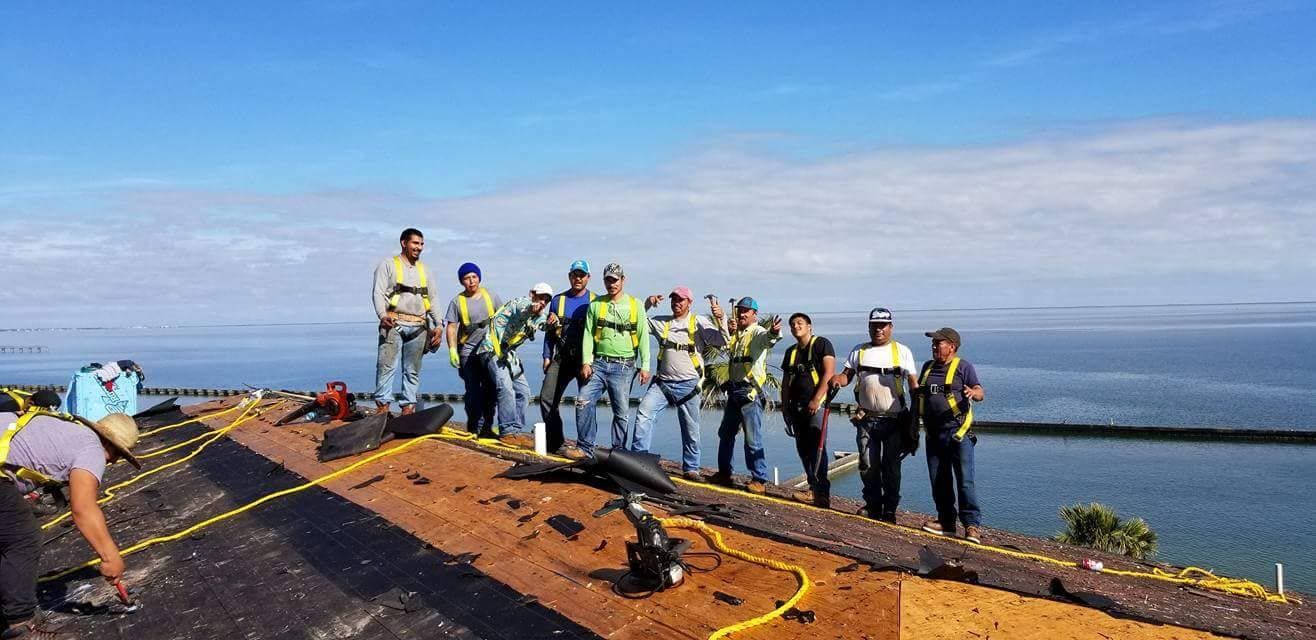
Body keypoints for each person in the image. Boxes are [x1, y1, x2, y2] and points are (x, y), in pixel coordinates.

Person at [1, 410, 141, 638]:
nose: (114, 461)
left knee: (9, 530)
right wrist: (110, 556)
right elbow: (84, 509)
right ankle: (22, 626)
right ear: (111, 446)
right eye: (118, 455)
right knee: (23, 538)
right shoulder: (92, 451)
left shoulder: (68, 429)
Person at [828, 308, 918, 522]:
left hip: (895, 420)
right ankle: (873, 505)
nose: (879, 329)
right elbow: (846, 376)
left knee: (891, 468)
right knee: (867, 465)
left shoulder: (902, 351)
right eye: (875, 325)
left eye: (883, 325)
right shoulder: (859, 351)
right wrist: (837, 379)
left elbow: (914, 385)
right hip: (866, 420)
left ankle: (890, 509)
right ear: (869, 327)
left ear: (891, 327)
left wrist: (917, 417)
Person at [631, 288, 726, 480]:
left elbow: (723, 340)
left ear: (689, 302)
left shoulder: (699, 322)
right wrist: (648, 302)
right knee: (643, 414)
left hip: (689, 385)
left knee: (691, 428)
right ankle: (638, 460)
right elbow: (636, 321)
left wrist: (722, 318)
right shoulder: (661, 322)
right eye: (674, 299)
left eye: (681, 300)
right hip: (662, 384)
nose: (677, 303)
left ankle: (691, 468)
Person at [916, 327, 985, 543]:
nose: (934, 346)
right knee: (939, 479)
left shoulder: (964, 367)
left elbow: (980, 391)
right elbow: (920, 396)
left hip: (958, 434)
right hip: (933, 433)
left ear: (952, 346)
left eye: (939, 343)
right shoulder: (927, 368)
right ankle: (946, 522)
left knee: (965, 480)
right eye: (934, 343)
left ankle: (971, 526)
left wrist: (973, 393)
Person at [708, 297, 782, 494]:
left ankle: (759, 478)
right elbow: (726, 340)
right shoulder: (738, 335)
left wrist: (774, 331)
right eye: (740, 310)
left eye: (746, 311)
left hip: (750, 393)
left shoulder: (757, 332)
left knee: (752, 438)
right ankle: (724, 473)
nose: (742, 313)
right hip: (735, 391)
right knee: (725, 433)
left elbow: (769, 339)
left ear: (754, 314)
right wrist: (723, 320)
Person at [576, 263, 651, 455]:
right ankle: (585, 447)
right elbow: (587, 335)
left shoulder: (636, 305)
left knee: (621, 411)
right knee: (583, 400)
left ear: (623, 280)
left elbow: (643, 337)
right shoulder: (596, 305)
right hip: (599, 363)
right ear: (604, 281)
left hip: (624, 366)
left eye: (615, 280)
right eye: (608, 280)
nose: (612, 284)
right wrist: (586, 361)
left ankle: (618, 451)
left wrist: (645, 366)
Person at [372, 228, 441, 416]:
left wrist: (439, 325)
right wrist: (381, 315)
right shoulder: (388, 265)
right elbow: (378, 292)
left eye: (421, 244)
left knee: (412, 370)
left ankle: (408, 408)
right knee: (386, 366)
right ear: (404, 243)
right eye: (415, 243)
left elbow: (433, 298)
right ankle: (383, 408)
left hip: (419, 326)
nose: (419, 247)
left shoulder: (425, 270)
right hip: (394, 322)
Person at [539, 260, 596, 459]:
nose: (578, 278)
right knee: (547, 399)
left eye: (582, 275)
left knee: (586, 402)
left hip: (585, 361)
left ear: (588, 277)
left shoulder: (596, 301)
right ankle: (557, 443)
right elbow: (549, 331)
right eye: (574, 275)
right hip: (561, 359)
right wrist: (547, 356)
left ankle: (586, 447)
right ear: (569, 276)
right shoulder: (558, 300)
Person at [485, 283, 554, 447]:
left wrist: (554, 321)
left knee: (523, 392)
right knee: (505, 388)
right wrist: (532, 307)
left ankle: (515, 431)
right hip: (491, 350)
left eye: (546, 299)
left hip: (508, 355)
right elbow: (522, 309)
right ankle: (507, 431)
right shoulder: (520, 303)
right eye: (540, 297)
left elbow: (546, 325)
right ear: (532, 294)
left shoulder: (538, 316)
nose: (543, 302)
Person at [779, 313, 836, 507]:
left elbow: (829, 372)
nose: (796, 326)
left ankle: (822, 492)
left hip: (816, 407)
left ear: (809, 326)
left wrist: (816, 399)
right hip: (796, 408)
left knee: (818, 448)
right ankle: (813, 488)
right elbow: (786, 382)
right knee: (803, 449)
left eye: (800, 323)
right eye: (793, 324)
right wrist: (785, 407)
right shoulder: (791, 352)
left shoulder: (821, 344)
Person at [444, 263, 503, 437]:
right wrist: (452, 350)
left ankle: (487, 426)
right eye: (466, 278)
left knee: (491, 389)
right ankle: (474, 426)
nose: (471, 281)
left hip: (491, 350)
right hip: (468, 351)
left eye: (474, 277)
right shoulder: (457, 301)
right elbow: (452, 327)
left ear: (479, 277)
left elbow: (504, 317)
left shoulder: (490, 295)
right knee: (473, 391)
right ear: (462, 281)